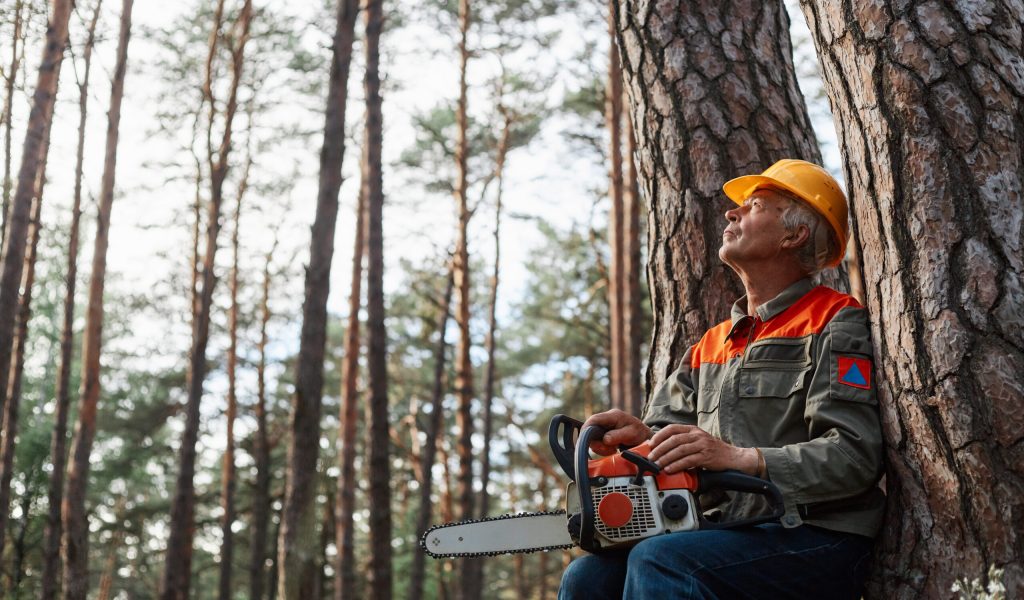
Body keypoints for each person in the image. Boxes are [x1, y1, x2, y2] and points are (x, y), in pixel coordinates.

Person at [558, 159, 885, 599]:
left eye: (753, 206)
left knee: (662, 560)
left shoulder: (835, 320)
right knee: (587, 578)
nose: (731, 213)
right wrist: (640, 443)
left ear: (794, 234)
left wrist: (739, 458)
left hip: (817, 533)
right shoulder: (711, 345)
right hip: (727, 530)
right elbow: (663, 438)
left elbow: (853, 456)